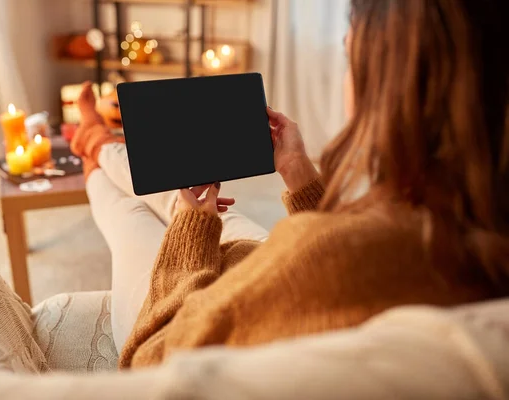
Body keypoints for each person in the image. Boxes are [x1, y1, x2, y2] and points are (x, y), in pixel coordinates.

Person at [71, 0, 508, 369]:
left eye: (347, 58)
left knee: (133, 213)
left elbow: (154, 361)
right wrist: (299, 173)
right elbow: (345, 248)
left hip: (180, 307)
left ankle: (92, 144)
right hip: (257, 266)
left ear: (387, 87)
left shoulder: (321, 261)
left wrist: (192, 233)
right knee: (192, 200)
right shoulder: (476, 234)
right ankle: (98, 144)